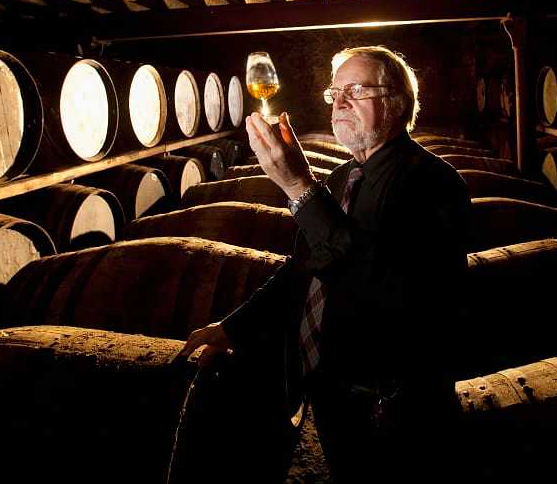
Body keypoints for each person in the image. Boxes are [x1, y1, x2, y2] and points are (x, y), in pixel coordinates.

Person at [178, 45, 471, 482]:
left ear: (399, 102)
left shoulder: (431, 183)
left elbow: (386, 288)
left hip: (391, 405)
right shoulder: (342, 178)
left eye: (356, 90)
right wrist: (234, 327)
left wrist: (297, 184)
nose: (341, 102)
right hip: (331, 391)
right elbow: (306, 267)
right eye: (335, 92)